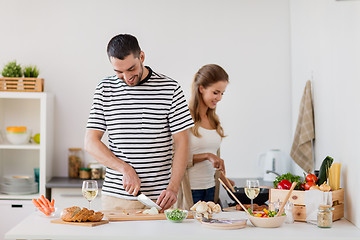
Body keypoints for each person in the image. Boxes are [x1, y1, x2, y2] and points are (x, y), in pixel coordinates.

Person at [84, 34, 194, 211]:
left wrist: (173, 188)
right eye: (119, 72)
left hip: (160, 199)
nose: (127, 77)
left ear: (141, 57)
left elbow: (183, 143)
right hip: (116, 199)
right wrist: (125, 169)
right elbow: (90, 142)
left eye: (131, 69)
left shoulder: (170, 88)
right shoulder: (105, 89)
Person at [175, 64, 234, 210]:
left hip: (212, 190)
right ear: (201, 88)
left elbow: (214, 157)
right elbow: (173, 158)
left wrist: (223, 179)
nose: (219, 98)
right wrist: (207, 156)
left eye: (222, 93)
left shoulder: (214, 120)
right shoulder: (183, 117)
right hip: (191, 191)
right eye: (216, 92)